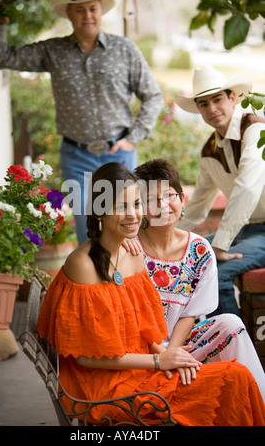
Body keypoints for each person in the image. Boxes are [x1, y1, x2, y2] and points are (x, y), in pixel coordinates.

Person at [37, 161, 265, 426]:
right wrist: (159, 360)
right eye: (122, 206)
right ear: (98, 211)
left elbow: (145, 327)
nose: (133, 215)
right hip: (105, 387)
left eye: (136, 204)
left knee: (236, 375)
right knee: (232, 380)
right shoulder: (83, 264)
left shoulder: (132, 256)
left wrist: (172, 357)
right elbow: (85, 356)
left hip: (143, 369)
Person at [0, 0, 163, 245]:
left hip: (120, 153)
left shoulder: (125, 50)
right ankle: (93, 284)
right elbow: (3, 57)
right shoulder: (54, 51)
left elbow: (153, 96)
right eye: (80, 9)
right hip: (77, 157)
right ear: (69, 14)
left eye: (92, 8)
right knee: (87, 230)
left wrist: (133, 137)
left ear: (100, 10)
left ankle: (123, 283)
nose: (87, 15)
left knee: (127, 223)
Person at [133, 158, 265, 400]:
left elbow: (189, 315)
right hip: (140, 353)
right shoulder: (130, 248)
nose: (163, 205)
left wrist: (173, 354)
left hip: (180, 344)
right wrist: (162, 358)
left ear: (182, 199)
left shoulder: (200, 250)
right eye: (151, 199)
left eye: (169, 195)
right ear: (139, 207)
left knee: (230, 323)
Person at [174, 64, 265, 316]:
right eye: (203, 104)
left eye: (217, 99)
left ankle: (234, 348)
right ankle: (196, 338)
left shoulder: (255, 129)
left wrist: (222, 244)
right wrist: (167, 239)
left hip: (262, 233)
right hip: (249, 229)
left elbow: (247, 188)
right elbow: (197, 207)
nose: (212, 109)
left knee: (215, 273)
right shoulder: (210, 150)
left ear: (232, 98)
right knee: (190, 256)